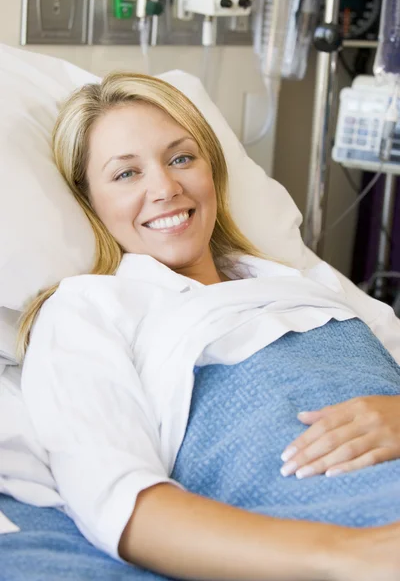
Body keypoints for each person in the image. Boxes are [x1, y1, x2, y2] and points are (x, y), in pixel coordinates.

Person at [16, 71, 400, 581]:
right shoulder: (87, 310)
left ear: (211, 171)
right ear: (89, 201)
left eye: (181, 158)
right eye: (126, 174)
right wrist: (351, 555)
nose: (165, 188)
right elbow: (122, 503)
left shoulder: (303, 279)